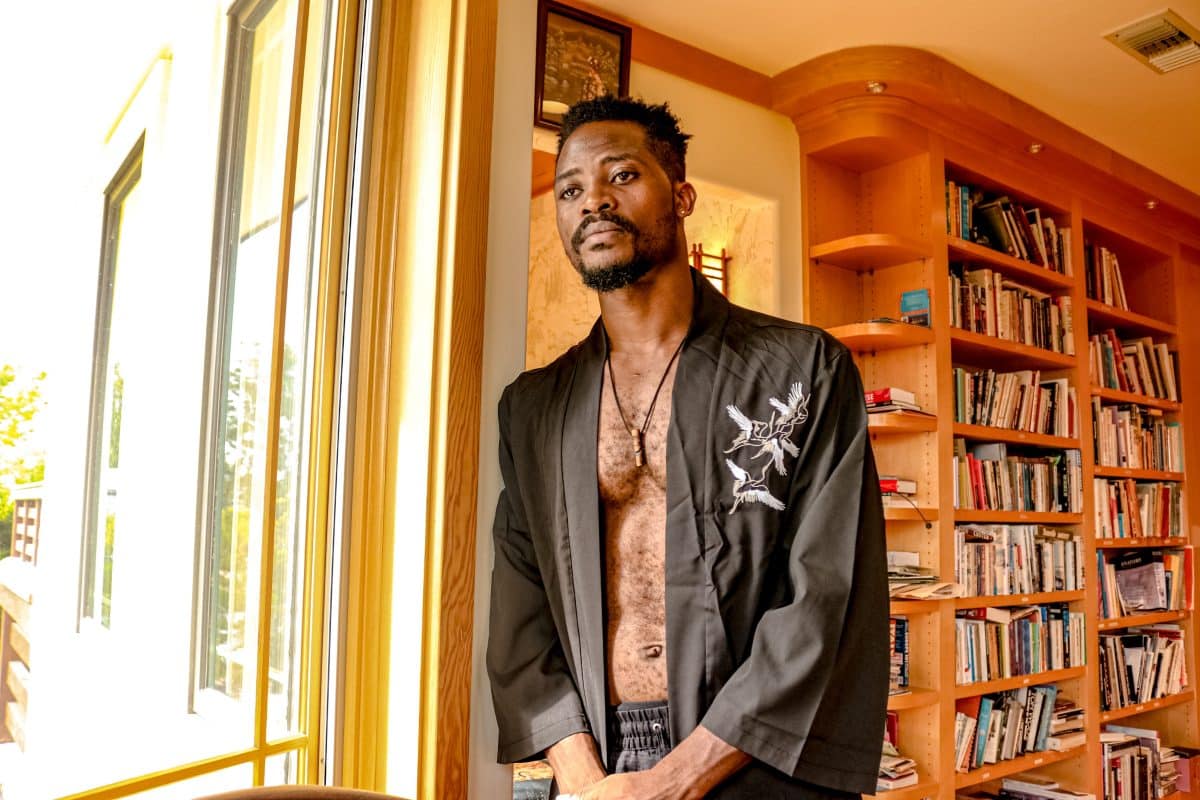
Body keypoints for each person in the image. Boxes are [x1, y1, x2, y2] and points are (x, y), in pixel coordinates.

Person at [487, 96, 889, 799]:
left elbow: (826, 592)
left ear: (682, 195)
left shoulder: (802, 369)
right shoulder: (534, 406)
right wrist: (584, 782)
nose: (594, 202)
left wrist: (680, 777)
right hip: (593, 759)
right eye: (571, 189)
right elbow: (521, 611)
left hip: (752, 753)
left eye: (622, 175)